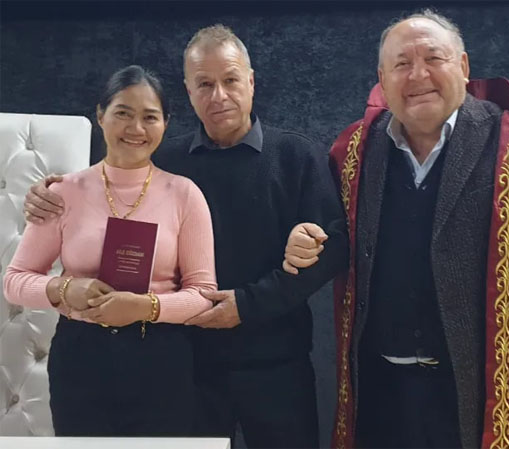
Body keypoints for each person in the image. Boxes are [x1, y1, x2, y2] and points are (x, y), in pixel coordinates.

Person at [283, 9, 509, 449]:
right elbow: (327, 232)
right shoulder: (352, 148)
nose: (418, 75)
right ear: (382, 79)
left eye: (434, 58)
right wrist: (301, 239)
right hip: (380, 385)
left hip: (482, 385)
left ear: (464, 66)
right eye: (402, 64)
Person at [22, 26, 348, 448]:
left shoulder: (296, 155)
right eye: (204, 84)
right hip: (189, 365)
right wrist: (45, 193)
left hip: (276, 363)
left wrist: (247, 305)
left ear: (251, 81)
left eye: (230, 80)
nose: (219, 96)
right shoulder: (164, 161)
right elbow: (102, 191)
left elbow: (334, 249)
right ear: (188, 91)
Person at [4, 65, 217, 436]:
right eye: (123, 113)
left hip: (162, 359)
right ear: (100, 115)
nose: (136, 128)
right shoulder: (62, 193)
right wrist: (64, 288)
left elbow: (203, 295)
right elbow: (14, 281)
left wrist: (146, 306)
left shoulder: (184, 195)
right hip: (80, 358)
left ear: (165, 124)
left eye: (149, 117)